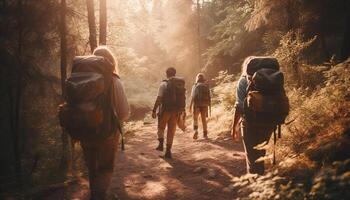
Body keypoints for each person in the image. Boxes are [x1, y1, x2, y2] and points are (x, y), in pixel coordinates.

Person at [80, 46, 130, 199]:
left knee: (92, 168)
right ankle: (99, 196)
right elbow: (124, 112)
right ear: (111, 62)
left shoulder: (82, 80)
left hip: (85, 131)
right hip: (107, 133)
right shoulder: (114, 81)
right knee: (106, 168)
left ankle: (94, 194)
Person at [232, 56, 289, 175]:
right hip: (270, 121)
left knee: (252, 157)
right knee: (260, 154)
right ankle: (261, 180)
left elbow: (239, 106)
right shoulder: (272, 79)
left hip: (250, 124)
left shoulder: (243, 80)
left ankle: (255, 184)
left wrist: (234, 127)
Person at [152, 67, 186, 159]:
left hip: (165, 110)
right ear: (175, 74)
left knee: (161, 127)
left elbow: (159, 98)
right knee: (171, 131)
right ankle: (168, 152)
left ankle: (161, 144)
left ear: (166, 74)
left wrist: (154, 110)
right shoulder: (180, 84)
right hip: (176, 111)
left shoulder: (163, 84)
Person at [189, 73, 211, 139]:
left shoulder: (195, 86)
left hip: (197, 104)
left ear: (197, 79)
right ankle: (205, 134)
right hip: (204, 104)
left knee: (195, 118)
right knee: (203, 119)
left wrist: (190, 106)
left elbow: (193, 97)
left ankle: (196, 131)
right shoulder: (205, 86)